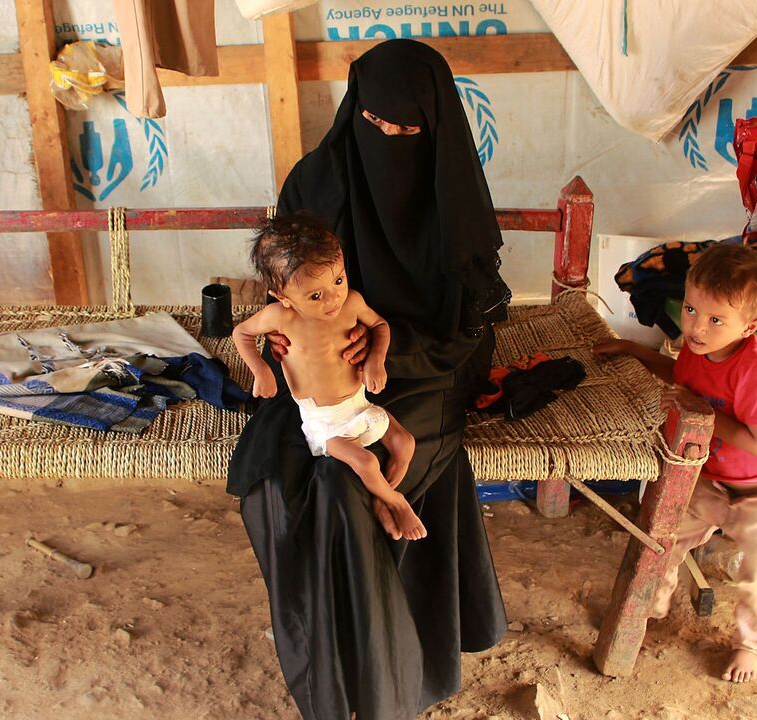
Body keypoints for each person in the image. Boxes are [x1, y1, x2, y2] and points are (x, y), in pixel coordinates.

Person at [226, 39, 509, 719]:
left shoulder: (452, 201)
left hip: (424, 365)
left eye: (406, 132)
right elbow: (287, 281)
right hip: (320, 372)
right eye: (373, 124)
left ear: (434, 132)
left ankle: (388, 684)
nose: (385, 141)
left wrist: (390, 343)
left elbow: (467, 327)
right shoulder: (315, 183)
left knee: (356, 482)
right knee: (281, 471)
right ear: (354, 109)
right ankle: (340, 669)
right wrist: (300, 338)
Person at [592, 243, 757, 683]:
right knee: (663, 538)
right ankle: (649, 606)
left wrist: (701, 413)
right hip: (711, 478)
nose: (696, 327)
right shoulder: (696, 347)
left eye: (715, 319)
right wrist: (634, 351)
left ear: (751, 325)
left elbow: (756, 441)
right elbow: (682, 377)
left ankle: (750, 644)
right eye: (691, 309)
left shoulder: (754, 373)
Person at [232, 214, 425, 540]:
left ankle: (380, 497)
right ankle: (396, 500)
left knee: (406, 443)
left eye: (338, 280)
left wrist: (377, 359)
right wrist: (261, 370)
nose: (334, 298)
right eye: (315, 296)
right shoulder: (281, 317)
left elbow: (380, 326)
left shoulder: (352, 302)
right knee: (365, 462)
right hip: (326, 424)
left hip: (359, 404)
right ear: (282, 296)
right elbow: (242, 334)